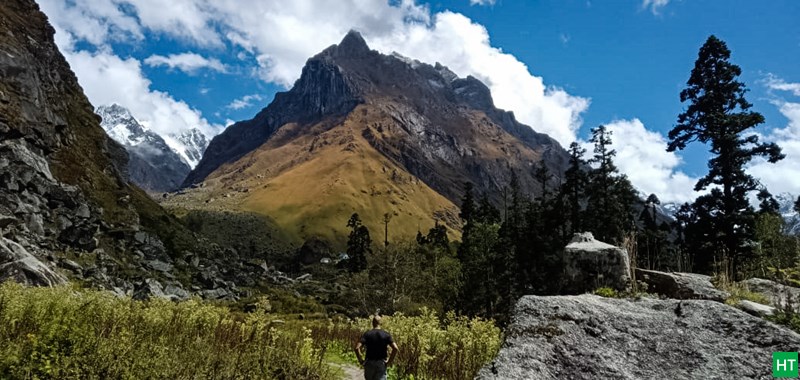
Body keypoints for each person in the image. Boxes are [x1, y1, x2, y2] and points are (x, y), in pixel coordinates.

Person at [355, 315, 398, 380]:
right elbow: (395, 348)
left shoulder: (367, 334)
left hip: (369, 362)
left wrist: (361, 360)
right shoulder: (386, 334)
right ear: (381, 323)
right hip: (381, 363)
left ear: (372, 323)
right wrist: (389, 362)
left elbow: (357, 348)